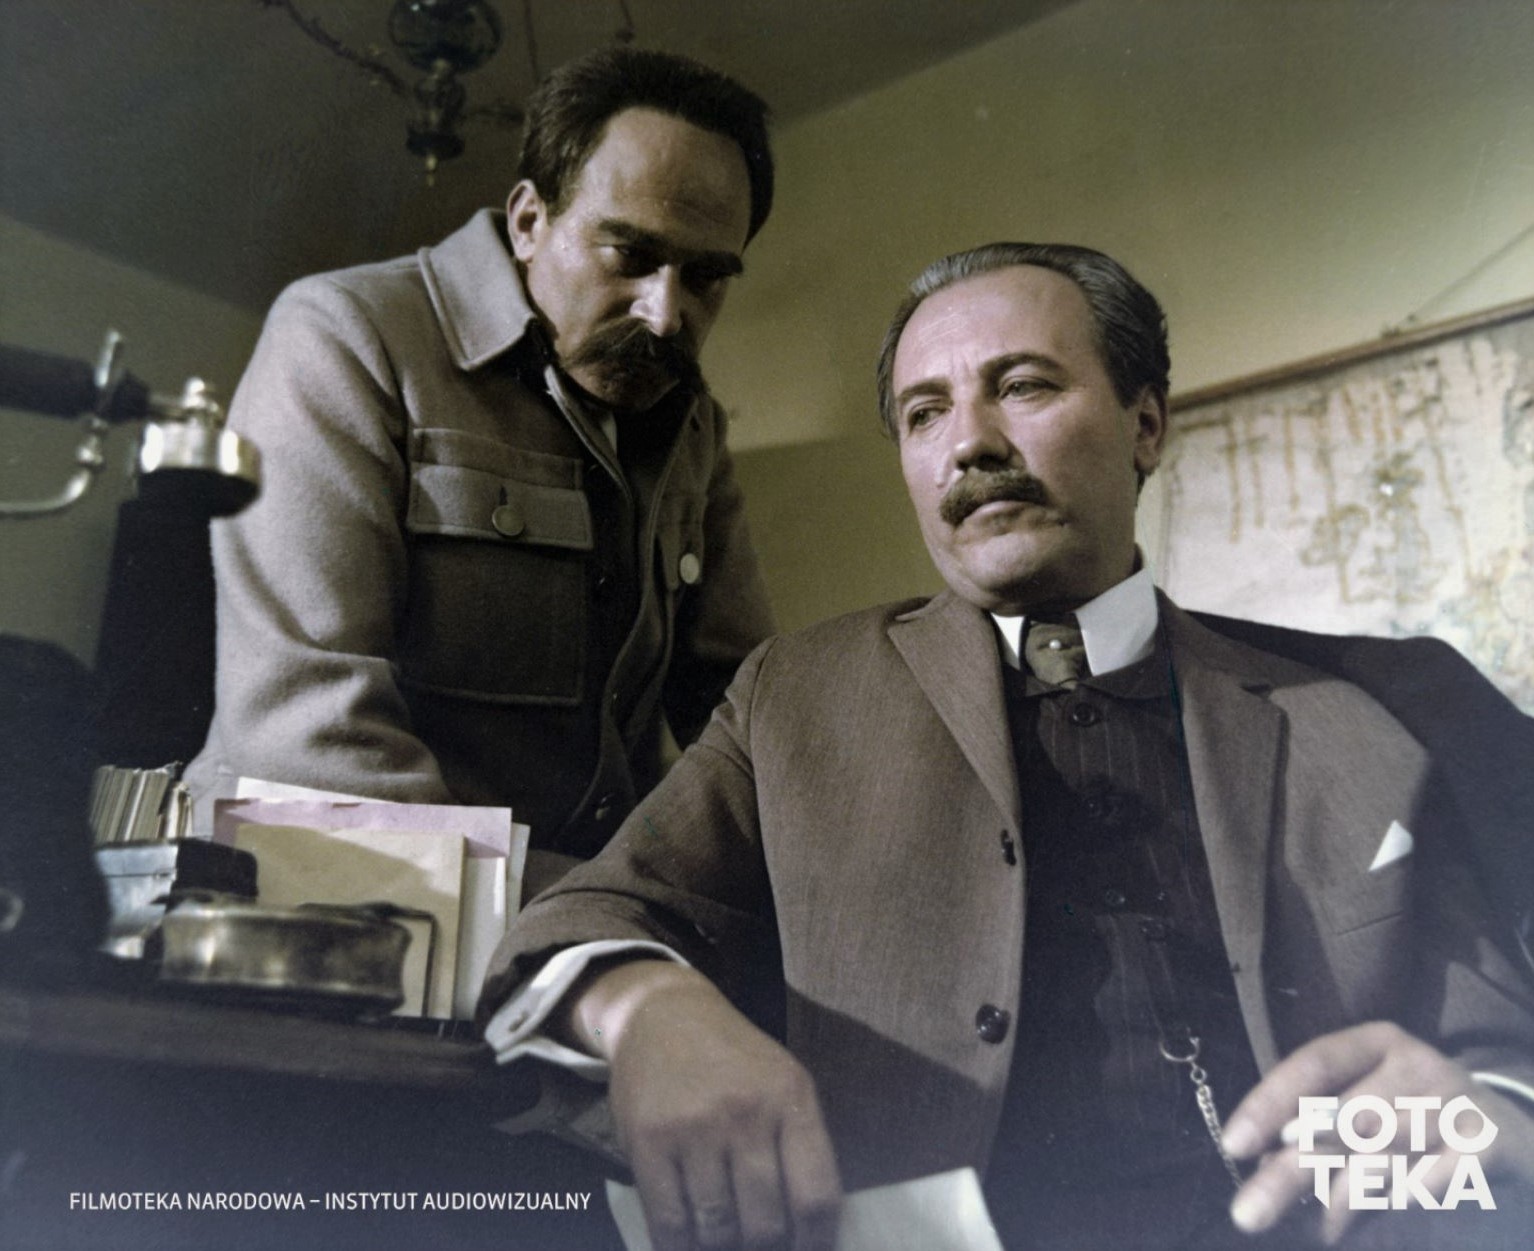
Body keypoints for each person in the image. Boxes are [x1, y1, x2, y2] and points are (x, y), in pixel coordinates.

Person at [478, 242, 1534, 1250]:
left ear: (1146, 425)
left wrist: (1491, 1113)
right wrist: (649, 1008)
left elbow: (1490, 1056)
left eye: (1022, 386)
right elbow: (582, 919)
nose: (969, 443)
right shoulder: (795, 696)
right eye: (923, 412)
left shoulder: (1363, 707)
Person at [187, 47, 776, 872]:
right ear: (530, 220)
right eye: (630, 257)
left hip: (575, 907)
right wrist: (587, 907)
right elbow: (307, 738)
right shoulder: (343, 337)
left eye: (707, 278)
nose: (665, 314)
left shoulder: (692, 422)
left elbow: (741, 711)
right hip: (331, 896)